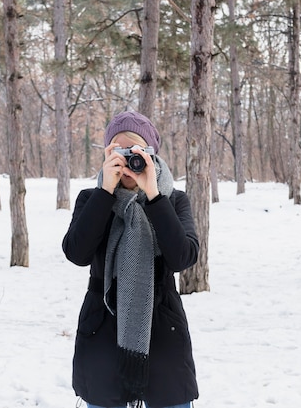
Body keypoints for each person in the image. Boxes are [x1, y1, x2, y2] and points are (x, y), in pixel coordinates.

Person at [62, 111, 199, 408]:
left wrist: (154, 196)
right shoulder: (93, 198)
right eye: (119, 151)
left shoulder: (174, 200)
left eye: (136, 152)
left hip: (163, 332)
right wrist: (105, 193)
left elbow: (183, 257)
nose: (128, 162)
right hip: (102, 333)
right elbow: (76, 253)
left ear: (151, 155)